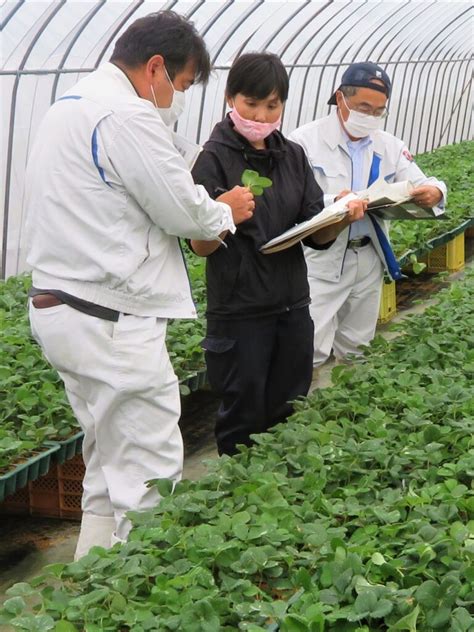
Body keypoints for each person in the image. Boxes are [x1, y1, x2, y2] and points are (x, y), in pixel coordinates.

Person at [24, 11, 256, 559]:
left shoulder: (71, 106)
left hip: (64, 309)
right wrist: (225, 210)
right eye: (179, 85)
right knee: (150, 477)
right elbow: (185, 213)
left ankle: (90, 592)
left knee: (107, 466)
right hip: (110, 320)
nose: (176, 98)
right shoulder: (126, 115)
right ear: (155, 68)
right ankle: (137, 598)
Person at [189, 53, 367, 456]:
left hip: (292, 307)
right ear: (230, 99)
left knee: (289, 409)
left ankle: (282, 499)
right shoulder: (212, 159)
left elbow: (314, 234)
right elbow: (198, 246)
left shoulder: (291, 155)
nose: (261, 114)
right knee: (243, 417)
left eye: (272, 105)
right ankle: (240, 501)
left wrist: (338, 215)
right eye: (251, 104)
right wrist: (222, 215)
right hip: (240, 313)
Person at [289, 62, 447, 368]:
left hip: (368, 256)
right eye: (364, 107)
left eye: (379, 111)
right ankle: (303, 410)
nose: (371, 116)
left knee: (358, 346)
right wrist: (334, 202)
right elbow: (292, 202)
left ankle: (349, 409)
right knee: (309, 348)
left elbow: (421, 180)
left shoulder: (388, 145)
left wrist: (435, 192)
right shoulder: (304, 142)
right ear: (340, 98)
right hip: (321, 259)